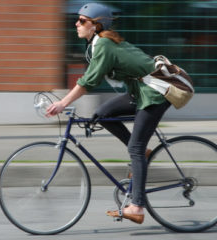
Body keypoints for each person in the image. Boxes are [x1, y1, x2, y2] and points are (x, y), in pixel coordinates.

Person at [46, 2, 170, 224]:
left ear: (96, 25)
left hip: (154, 94)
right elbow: (92, 77)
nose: (77, 23)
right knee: (101, 114)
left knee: (135, 148)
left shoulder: (103, 44)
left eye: (82, 21)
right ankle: (144, 153)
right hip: (138, 92)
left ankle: (137, 207)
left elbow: (88, 81)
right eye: (78, 19)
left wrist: (63, 103)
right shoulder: (98, 44)